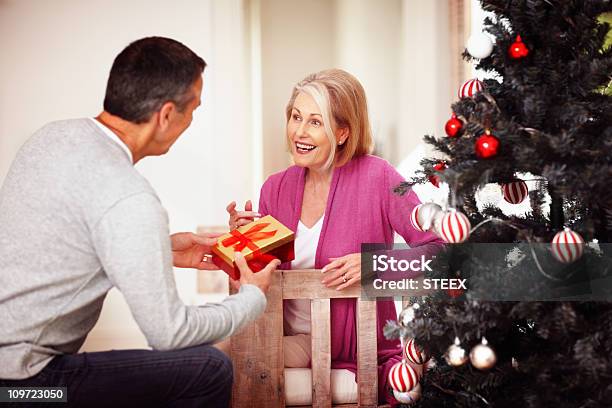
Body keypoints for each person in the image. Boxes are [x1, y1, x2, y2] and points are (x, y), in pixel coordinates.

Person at [0, 37, 278, 407]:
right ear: (165, 115)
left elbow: (66, 243)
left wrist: (158, 248)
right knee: (208, 367)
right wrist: (252, 298)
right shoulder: (130, 198)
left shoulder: (51, 138)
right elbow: (169, 333)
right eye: (192, 109)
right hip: (26, 388)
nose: (191, 120)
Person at [227, 69, 443, 405]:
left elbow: (438, 249)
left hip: (359, 346)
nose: (299, 131)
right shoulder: (275, 188)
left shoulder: (378, 177)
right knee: (221, 356)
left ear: (342, 132)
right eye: (296, 117)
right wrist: (242, 242)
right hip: (289, 339)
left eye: (315, 122)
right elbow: (261, 274)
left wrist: (376, 265)